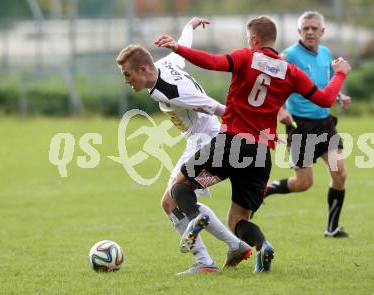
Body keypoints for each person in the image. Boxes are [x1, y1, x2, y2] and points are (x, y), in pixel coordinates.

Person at [155, 15, 351, 272]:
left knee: (180, 186)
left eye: (249, 39)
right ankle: (262, 245)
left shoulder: (246, 57)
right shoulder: (291, 72)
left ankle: (196, 216)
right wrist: (340, 74)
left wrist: (179, 48)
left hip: (231, 144)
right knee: (238, 219)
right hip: (260, 154)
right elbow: (325, 99)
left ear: (255, 39)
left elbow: (212, 63)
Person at [116, 17, 252, 275]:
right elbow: (181, 47)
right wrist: (189, 27)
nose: (126, 80)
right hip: (203, 138)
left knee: (173, 199)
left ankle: (207, 261)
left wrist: (250, 125)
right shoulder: (165, 63)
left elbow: (212, 106)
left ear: (143, 69)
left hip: (206, 140)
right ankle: (232, 247)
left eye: (127, 74)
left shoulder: (169, 91)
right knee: (174, 200)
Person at [266, 11, 352, 238]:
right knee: (303, 183)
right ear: (299, 32)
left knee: (340, 174)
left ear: (322, 31)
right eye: (306, 28)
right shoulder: (289, 55)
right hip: (300, 126)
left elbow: (323, 84)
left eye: (314, 28)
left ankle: (332, 228)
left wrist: (338, 96)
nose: (310, 32)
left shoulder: (325, 53)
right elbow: (272, 85)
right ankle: (264, 190)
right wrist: (280, 109)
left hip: (324, 123)